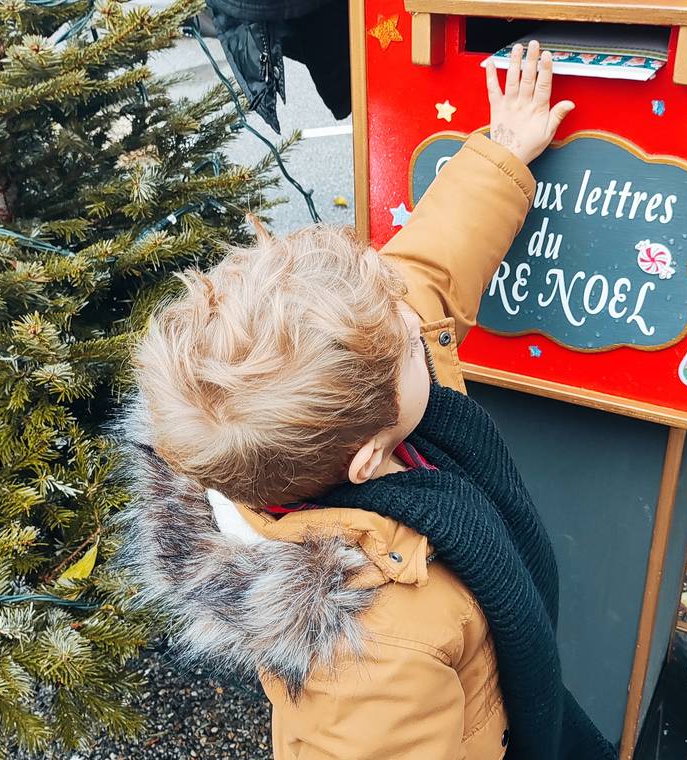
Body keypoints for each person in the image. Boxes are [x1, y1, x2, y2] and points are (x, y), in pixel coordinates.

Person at [113, 42, 617, 760]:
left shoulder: (342, 389)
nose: (416, 322)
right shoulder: (367, 651)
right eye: (410, 342)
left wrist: (503, 151)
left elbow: (426, 267)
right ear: (371, 457)